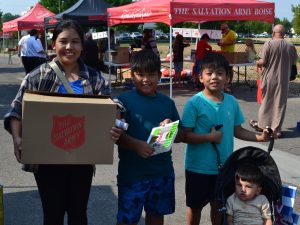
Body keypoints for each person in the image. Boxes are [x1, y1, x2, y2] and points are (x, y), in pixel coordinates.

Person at [3, 19, 119, 225]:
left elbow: (114, 108)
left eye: (75, 41)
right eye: (63, 41)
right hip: (47, 162)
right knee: (53, 214)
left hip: (82, 160)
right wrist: (17, 139)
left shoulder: (95, 78)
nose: (69, 47)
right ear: (53, 44)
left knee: (78, 213)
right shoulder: (37, 76)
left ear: (82, 46)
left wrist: (116, 123)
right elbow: (16, 111)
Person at [181, 52, 269, 225]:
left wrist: (260, 137)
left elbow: (238, 130)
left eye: (220, 73)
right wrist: (209, 137)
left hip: (224, 169)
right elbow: (185, 136)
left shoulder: (231, 101)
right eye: (209, 73)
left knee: (219, 206)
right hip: (198, 168)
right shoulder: (194, 103)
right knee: (195, 206)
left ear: (227, 77)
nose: (214, 77)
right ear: (200, 77)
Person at [114, 49, 184, 225]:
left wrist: (170, 128)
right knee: (127, 219)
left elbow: (180, 135)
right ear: (132, 75)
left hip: (162, 172)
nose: (146, 79)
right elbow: (116, 136)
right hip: (132, 174)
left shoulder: (167, 103)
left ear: (160, 75)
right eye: (140, 74)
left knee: (156, 216)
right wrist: (136, 145)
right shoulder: (123, 102)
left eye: (151, 74)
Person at [250, 24, 298, 138]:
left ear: (273, 33)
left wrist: (257, 62)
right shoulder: (290, 45)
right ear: (284, 34)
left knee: (267, 101)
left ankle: (263, 126)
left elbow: (263, 61)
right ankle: (276, 130)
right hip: (283, 80)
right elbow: (293, 62)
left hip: (269, 78)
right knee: (280, 104)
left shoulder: (269, 44)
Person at [217, 23, 236, 93]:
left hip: (230, 53)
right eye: (221, 29)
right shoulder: (224, 34)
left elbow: (233, 42)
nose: (222, 30)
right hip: (224, 53)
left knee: (229, 69)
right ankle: (225, 83)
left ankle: (229, 82)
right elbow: (223, 42)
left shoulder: (232, 33)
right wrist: (219, 43)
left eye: (223, 29)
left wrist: (223, 44)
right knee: (225, 68)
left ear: (227, 28)